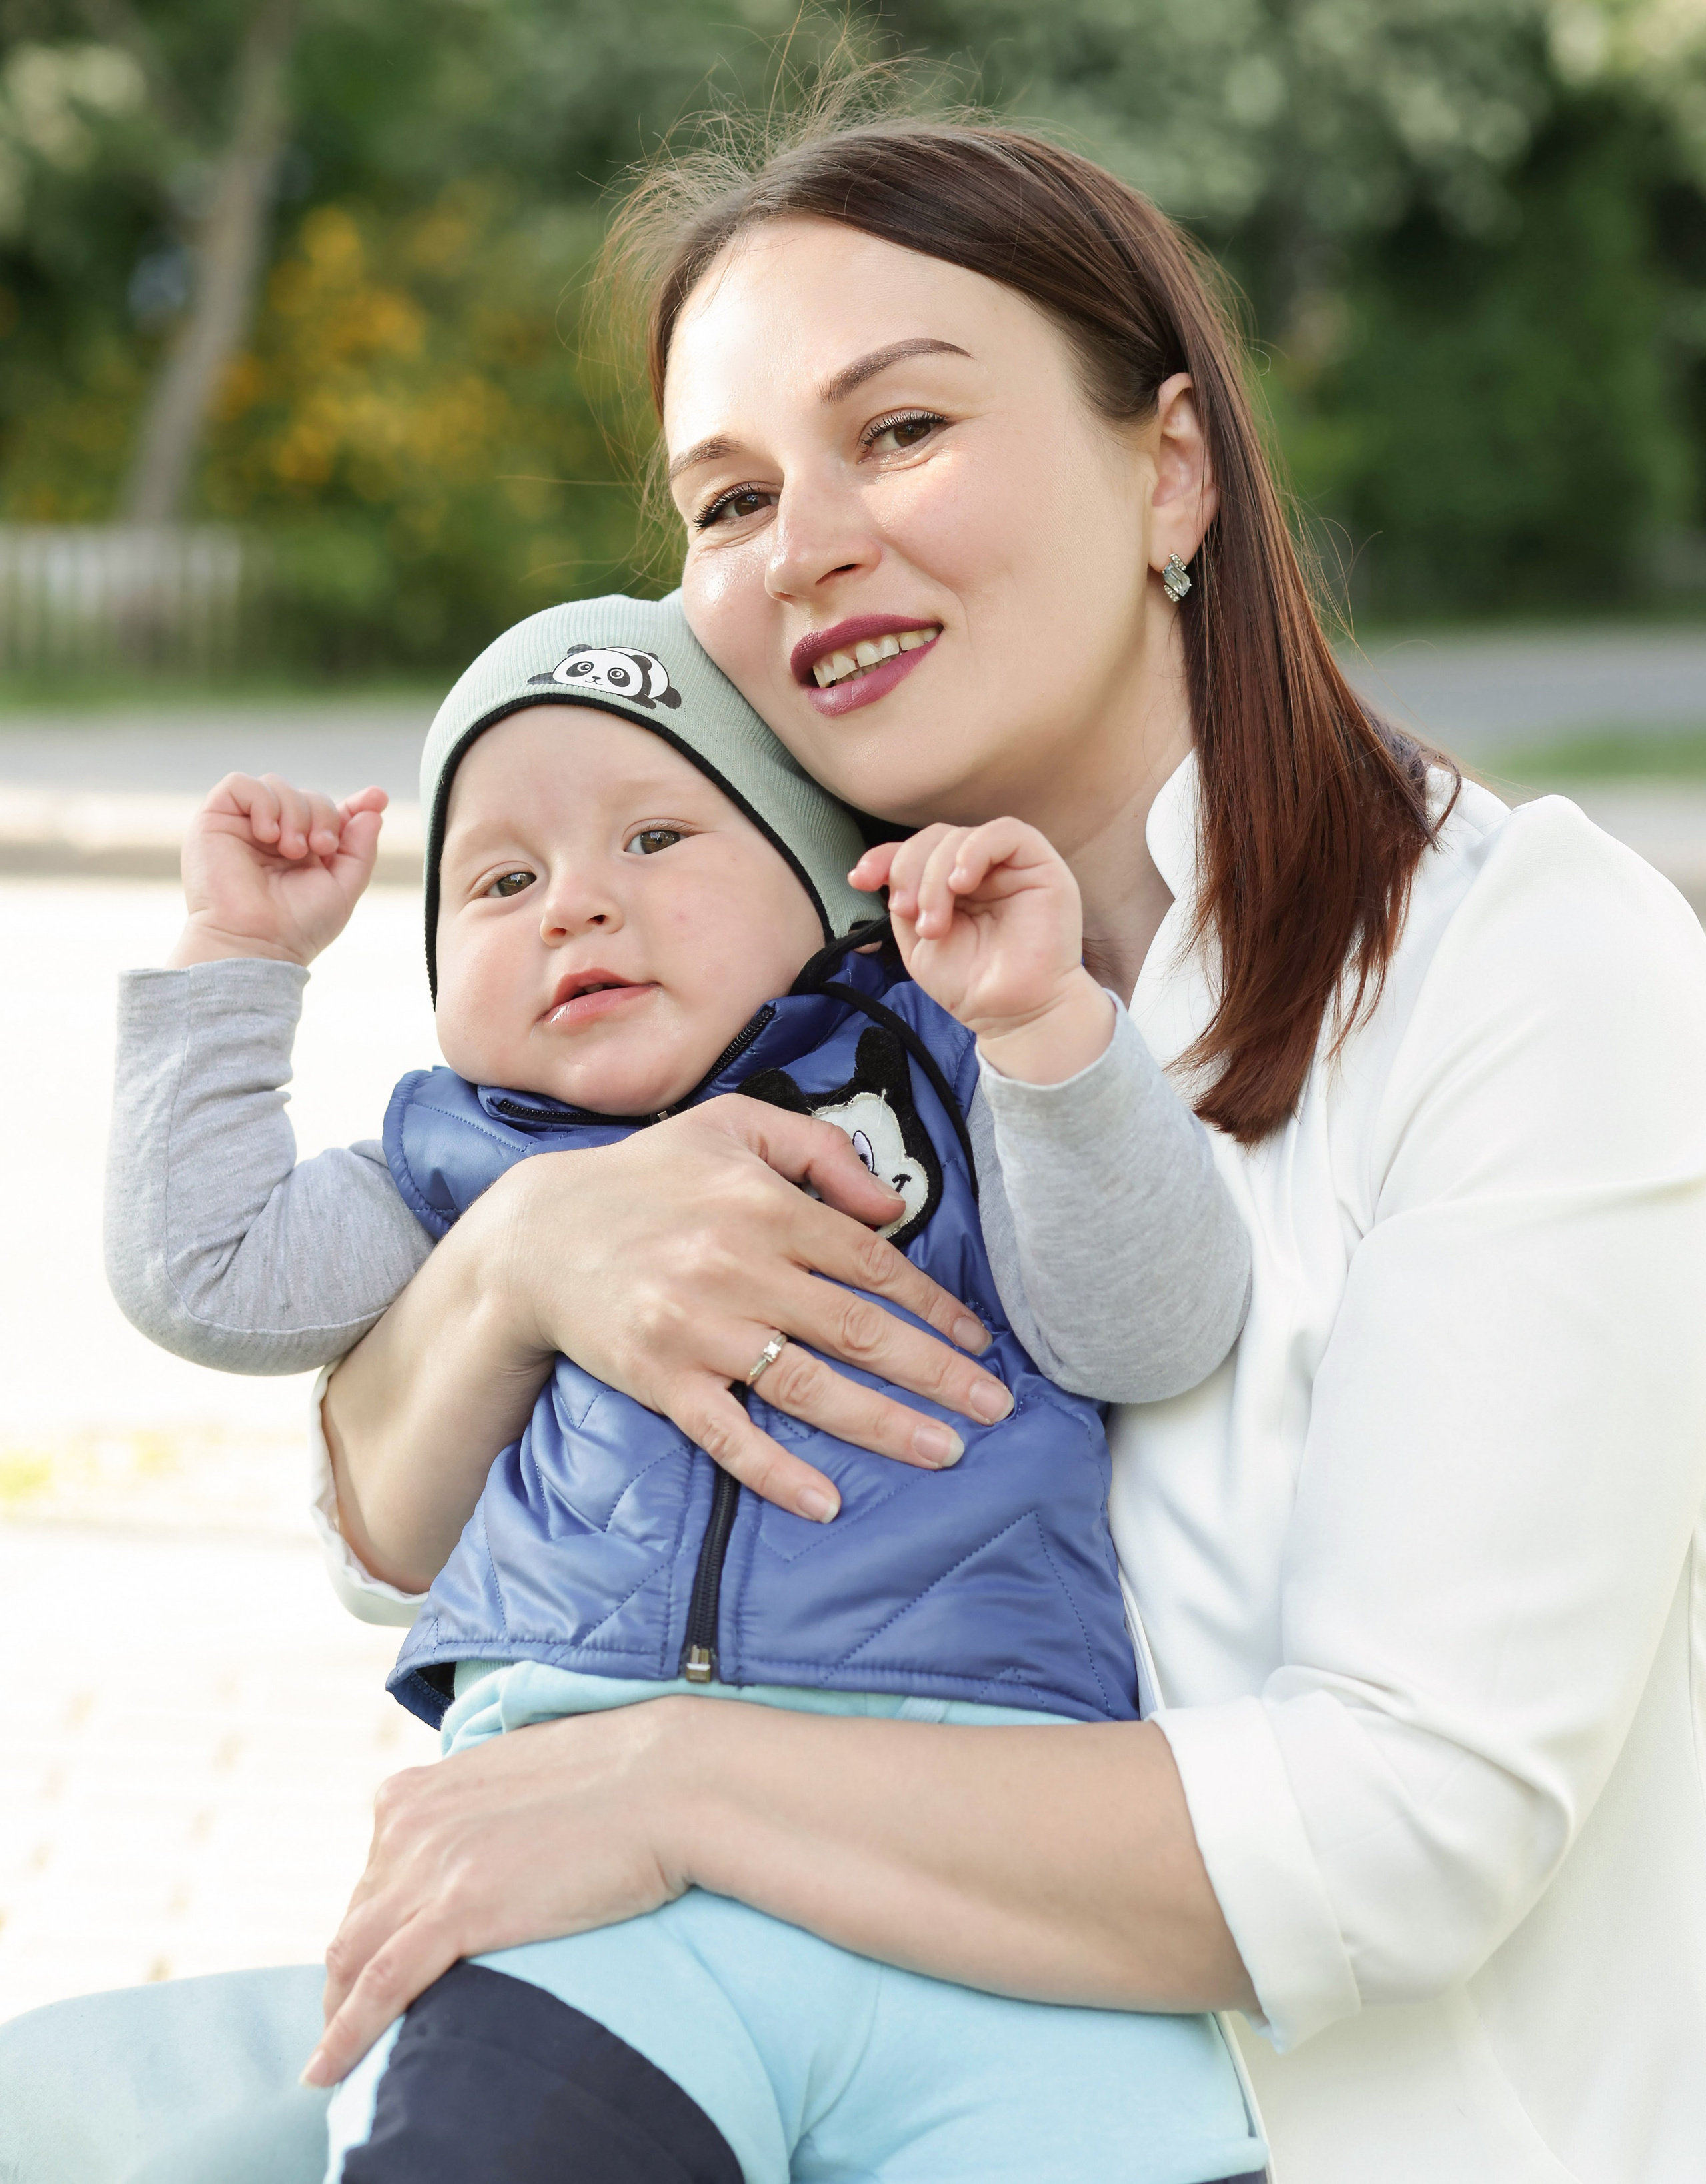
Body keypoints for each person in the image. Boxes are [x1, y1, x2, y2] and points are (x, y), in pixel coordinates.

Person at [5, 113, 1706, 2184]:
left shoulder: (1527, 962)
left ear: (1171, 466)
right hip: (728, 2066)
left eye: (897, 429)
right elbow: (382, 1528)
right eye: (730, 497)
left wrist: (673, 1782)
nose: (801, 541)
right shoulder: (764, 994)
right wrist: (531, 1246)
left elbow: (1411, 1820)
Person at [101, 587, 1262, 2182]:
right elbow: (205, 1274)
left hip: (992, 1868)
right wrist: (236, 955)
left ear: (819, 888)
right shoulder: (459, 1160)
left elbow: (1150, 1332)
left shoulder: (940, 1070)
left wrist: (1047, 1032)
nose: (574, 906)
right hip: (580, 1879)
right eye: (501, 878)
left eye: (653, 838)